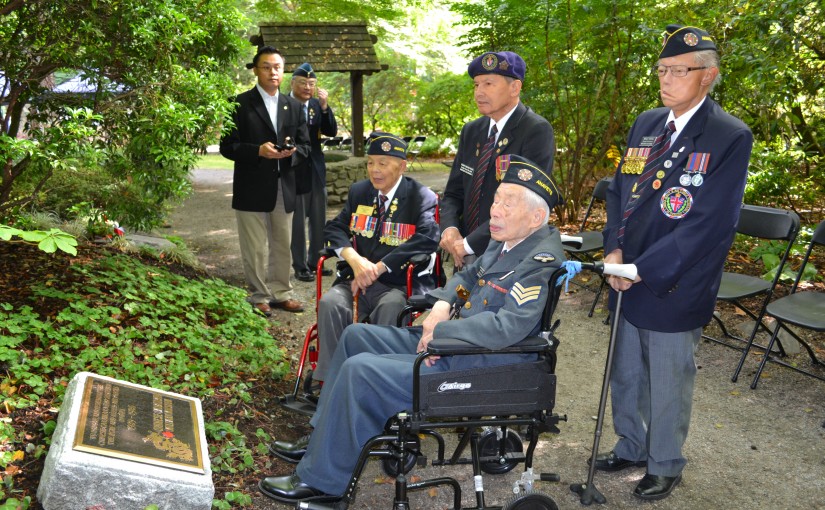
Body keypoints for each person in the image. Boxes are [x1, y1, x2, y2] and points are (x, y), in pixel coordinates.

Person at [259, 154, 566, 503]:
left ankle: (325, 485)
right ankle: (321, 442)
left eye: (507, 204)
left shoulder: (540, 260)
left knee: (361, 372)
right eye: (496, 199)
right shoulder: (508, 239)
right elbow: (467, 277)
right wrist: (441, 305)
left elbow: (506, 327)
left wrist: (443, 335)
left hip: (481, 362)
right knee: (356, 337)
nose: (494, 210)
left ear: (537, 217)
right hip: (454, 342)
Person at [595, 25, 753, 500]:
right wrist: (614, 250)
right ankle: (632, 443)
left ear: (708, 76)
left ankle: (665, 462)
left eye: (678, 71)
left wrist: (642, 269)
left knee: (666, 375)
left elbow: (708, 222)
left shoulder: (727, 135)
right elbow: (621, 191)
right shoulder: (646, 123)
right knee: (625, 369)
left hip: (675, 277)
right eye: (662, 70)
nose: (665, 79)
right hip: (628, 268)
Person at [310, 132, 439, 383]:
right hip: (355, 280)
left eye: (383, 163)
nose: (374, 170)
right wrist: (354, 260)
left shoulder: (420, 196)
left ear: (401, 166)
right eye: (370, 162)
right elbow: (335, 228)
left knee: (390, 307)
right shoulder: (360, 191)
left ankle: (378, 378)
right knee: (331, 303)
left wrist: (378, 268)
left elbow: (427, 238)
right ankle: (330, 380)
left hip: (396, 283)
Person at [439, 51, 555, 269]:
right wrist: (450, 229)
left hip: (509, 256)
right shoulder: (472, 130)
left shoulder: (535, 130)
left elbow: (526, 204)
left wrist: (469, 244)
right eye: (476, 85)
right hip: (462, 252)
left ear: (515, 88)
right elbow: (454, 193)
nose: (479, 92)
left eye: (488, 84)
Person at [219, 46, 311, 316]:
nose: (273, 72)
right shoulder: (238, 104)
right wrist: (257, 151)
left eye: (278, 67)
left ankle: (282, 293)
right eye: (267, 67)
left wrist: (292, 153)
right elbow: (227, 146)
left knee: (283, 244)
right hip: (251, 185)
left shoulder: (293, 106)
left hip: (285, 183)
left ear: (284, 71)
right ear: (256, 70)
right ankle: (259, 295)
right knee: (255, 246)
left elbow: (306, 146)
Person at [288, 63, 338, 282]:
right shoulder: (284, 104)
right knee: (297, 221)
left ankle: (315, 261)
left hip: (315, 168)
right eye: (303, 83)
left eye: (311, 84)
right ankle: (299, 266)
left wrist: (326, 107)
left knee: (318, 218)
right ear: (292, 83)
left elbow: (331, 131)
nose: (307, 87)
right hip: (294, 168)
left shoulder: (317, 105)